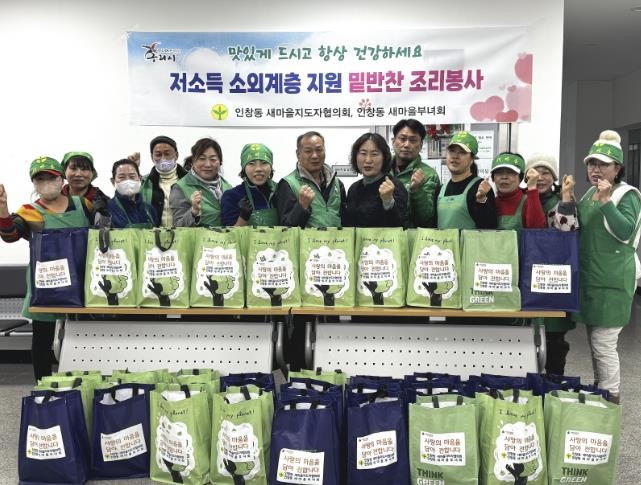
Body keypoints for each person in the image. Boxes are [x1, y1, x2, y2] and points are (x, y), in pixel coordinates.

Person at [0, 157, 94, 381]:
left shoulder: (83, 205)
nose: (46, 183)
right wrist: (3, 209)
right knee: (42, 341)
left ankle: (83, 385)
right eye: (40, 179)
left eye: (51, 178)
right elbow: (10, 235)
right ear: (33, 183)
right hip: (47, 284)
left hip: (81, 283)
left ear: (61, 179)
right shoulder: (28, 211)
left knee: (84, 338)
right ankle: (42, 388)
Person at [572, 130, 641, 403]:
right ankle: (599, 389)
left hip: (613, 280)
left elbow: (625, 231)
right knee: (594, 340)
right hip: (592, 277)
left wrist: (606, 203)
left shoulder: (627, 194)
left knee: (604, 343)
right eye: (592, 163)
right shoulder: (590, 192)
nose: (596, 169)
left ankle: (611, 396)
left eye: (603, 164)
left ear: (618, 168)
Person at [526, 153, 579, 376]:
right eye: (535, 172)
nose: (540, 177)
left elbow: (569, 231)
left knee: (554, 340)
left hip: (554, 279)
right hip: (527, 277)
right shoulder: (523, 199)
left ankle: (554, 383)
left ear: (554, 177)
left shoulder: (563, 200)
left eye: (545, 172)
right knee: (526, 342)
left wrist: (566, 200)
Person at [276, 131, 346, 228]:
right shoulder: (288, 184)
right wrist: (301, 207)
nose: (315, 156)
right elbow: (285, 227)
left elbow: (345, 220)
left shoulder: (337, 183)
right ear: (298, 154)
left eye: (319, 150)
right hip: (305, 238)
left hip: (338, 238)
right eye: (308, 151)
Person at [344, 132, 408, 227]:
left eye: (374, 154)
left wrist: (388, 201)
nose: (368, 160)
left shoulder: (393, 186)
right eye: (363, 153)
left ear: (384, 157)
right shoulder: (354, 188)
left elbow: (399, 226)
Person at [436, 131, 497, 229]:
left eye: (462, 152)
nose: (455, 156)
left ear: (472, 159)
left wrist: (482, 200)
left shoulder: (480, 187)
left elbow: (490, 227)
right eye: (452, 150)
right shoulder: (441, 188)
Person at [170, 137, 231, 227]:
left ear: (220, 162)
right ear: (193, 161)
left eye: (213, 159)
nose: (208, 164)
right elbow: (178, 227)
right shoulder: (180, 188)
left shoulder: (228, 187)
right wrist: (193, 212)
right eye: (202, 158)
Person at [391, 119, 439, 227]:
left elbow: (425, 219)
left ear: (421, 145)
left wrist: (417, 191)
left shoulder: (429, 175)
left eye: (413, 140)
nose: (407, 145)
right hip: (381, 235)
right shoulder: (382, 170)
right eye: (402, 139)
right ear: (393, 141)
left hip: (412, 236)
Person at [221, 143, 278, 226]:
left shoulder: (280, 191)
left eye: (264, 163)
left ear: (271, 167)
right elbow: (228, 233)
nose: (258, 169)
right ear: (244, 168)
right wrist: (243, 216)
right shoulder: (231, 196)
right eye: (251, 163)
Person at [140, 135, 188, 227]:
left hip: (185, 233)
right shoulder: (144, 183)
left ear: (176, 155)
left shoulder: (189, 180)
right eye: (158, 154)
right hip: (154, 234)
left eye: (167, 153)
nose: (163, 158)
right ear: (152, 157)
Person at [491, 151, 546, 230]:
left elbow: (536, 230)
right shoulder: (490, 203)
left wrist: (532, 189)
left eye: (510, 173)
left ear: (520, 178)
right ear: (493, 178)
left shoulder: (528, 201)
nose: (504, 177)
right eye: (499, 173)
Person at [106, 159, 158, 228]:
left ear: (140, 179)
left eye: (132, 177)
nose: (128, 181)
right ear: (113, 181)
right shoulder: (106, 209)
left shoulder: (150, 210)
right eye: (122, 177)